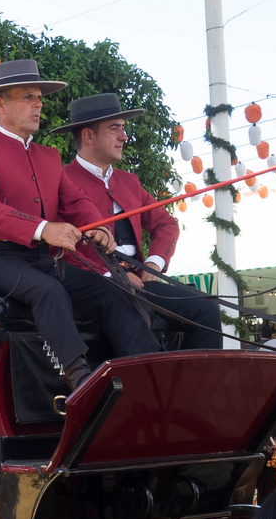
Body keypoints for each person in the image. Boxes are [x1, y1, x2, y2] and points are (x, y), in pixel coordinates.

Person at [0, 60, 158, 391]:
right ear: (1, 105)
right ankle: (80, 382)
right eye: (28, 97)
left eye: (39, 97)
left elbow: (74, 202)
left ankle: (147, 377)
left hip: (40, 258)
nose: (39, 104)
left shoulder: (48, 156)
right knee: (48, 291)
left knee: (114, 292)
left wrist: (98, 226)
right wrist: (44, 229)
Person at [56, 93, 222, 351]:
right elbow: (59, 250)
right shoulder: (60, 180)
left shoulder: (129, 181)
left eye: (123, 128)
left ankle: (195, 388)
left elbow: (166, 224)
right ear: (88, 136)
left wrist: (153, 265)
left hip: (139, 280)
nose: (124, 136)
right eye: (115, 129)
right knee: (131, 314)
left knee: (206, 309)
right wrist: (113, 275)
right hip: (97, 284)